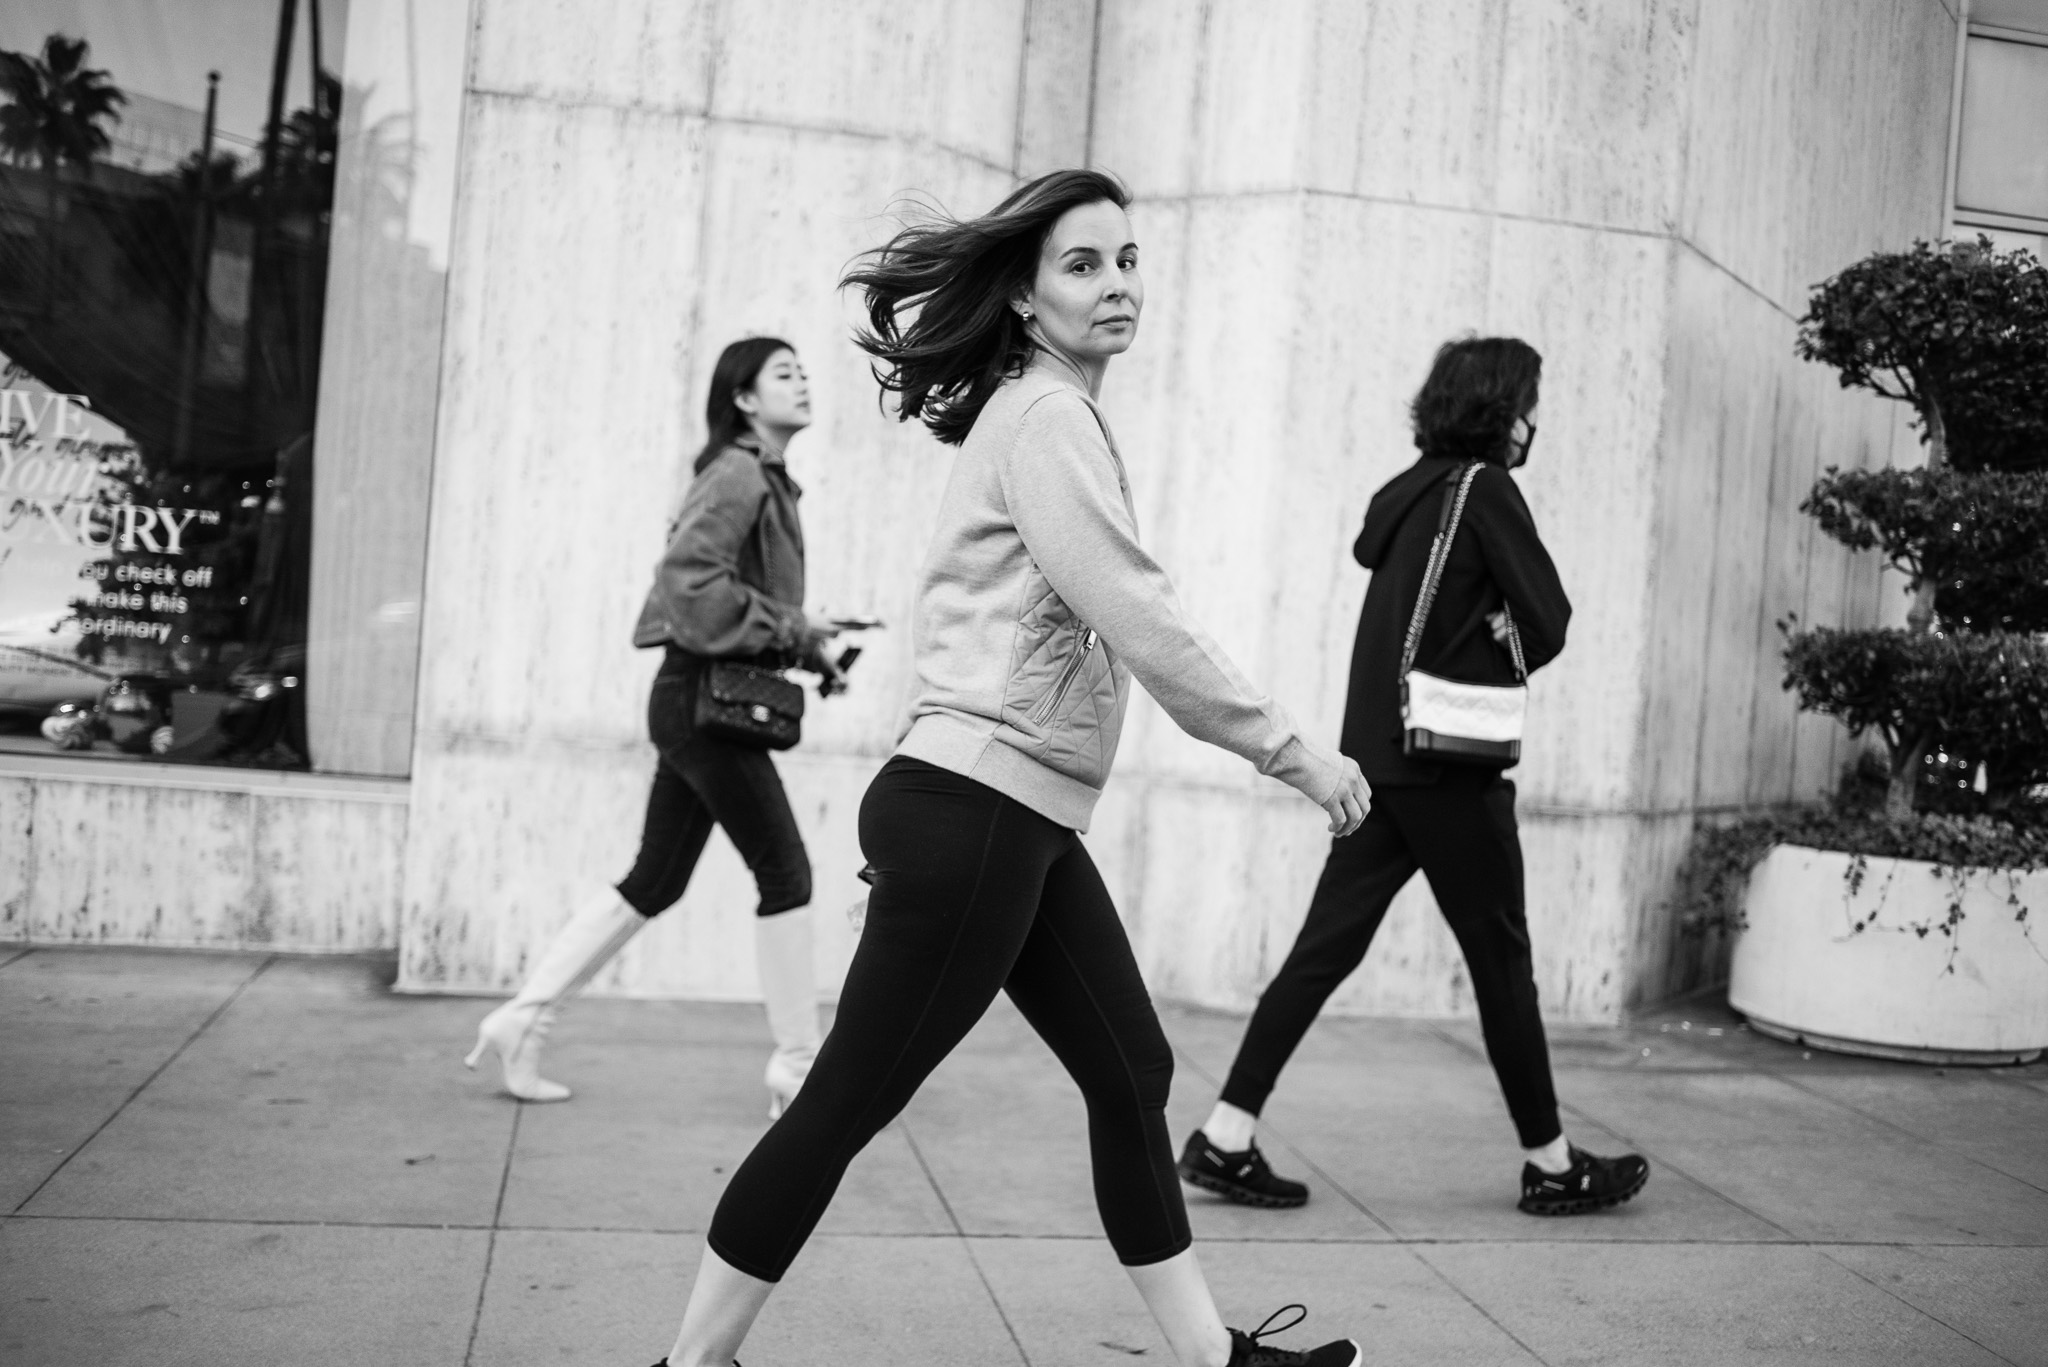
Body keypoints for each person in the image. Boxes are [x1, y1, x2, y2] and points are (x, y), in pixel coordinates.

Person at [646, 170, 1373, 1367]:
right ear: (1028, 301)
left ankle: (1214, 1359)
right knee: (845, 1100)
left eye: (1126, 259)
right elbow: (1138, 611)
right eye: (1082, 264)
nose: (1116, 283)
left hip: (1006, 812)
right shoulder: (1045, 418)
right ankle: (690, 1362)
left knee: (1129, 1068)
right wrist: (1292, 753)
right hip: (978, 808)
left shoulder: (1043, 412)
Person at [1178, 336, 1651, 1218]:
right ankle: (1552, 1163)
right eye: (1529, 405)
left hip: (1376, 767)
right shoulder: (1485, 489)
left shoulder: (1402, 496)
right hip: (1450, 771)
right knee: (1502, 962)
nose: (1534, 423)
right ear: (1501, 410)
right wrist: (1500, 642)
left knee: (1320, 953)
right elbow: (1548, 618)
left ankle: (1226, 1133)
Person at [466, 337, 846, 1118]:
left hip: (695, 700)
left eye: (804, 371)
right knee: (786, 872)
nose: (803, 382)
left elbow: (728, 595)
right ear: (744, 398)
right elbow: (687, 582)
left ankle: (523, 1018)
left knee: (656, 879)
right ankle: (798, 1066)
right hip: (704, 705)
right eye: (784, 373)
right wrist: (792, 624)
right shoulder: (740, 472)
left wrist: (810, 644)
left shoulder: (763, 478)